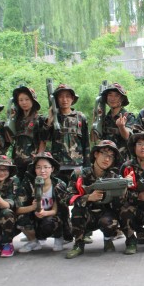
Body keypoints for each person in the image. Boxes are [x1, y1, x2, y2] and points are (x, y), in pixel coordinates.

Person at [44, 83, 89, 243]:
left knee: (81, 198)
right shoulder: (52, 118)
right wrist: (50, 119)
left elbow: (86, 143)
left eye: (67, 96)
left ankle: (83, 232)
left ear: (72, 99)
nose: (64, 100)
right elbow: (44, 138)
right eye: (61, 97)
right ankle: (65, 232)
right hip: (58, 167)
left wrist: (87, 165)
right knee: (61, 201)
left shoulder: (80, 117)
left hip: (77, 166)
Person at [65, 140, 123, 259]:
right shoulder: (79, 174)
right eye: (104, 154)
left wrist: (124, 190)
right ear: (96, 154)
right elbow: (67, 198)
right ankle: (78, 244)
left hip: (105, 215)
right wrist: (88, 198)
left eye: (111, 156)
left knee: (111, 220)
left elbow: (120, 203)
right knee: (77, 212)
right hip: (85, 215)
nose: (107, 159)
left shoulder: (114, 177)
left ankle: (108, 239)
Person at [15, 152, 69, 253]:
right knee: (20, 218)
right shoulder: (28, 184)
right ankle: (33, 241)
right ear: (34, 169)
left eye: (46, 167)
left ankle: (59, 237)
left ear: (52, 169)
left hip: (52, 216)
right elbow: (17, 208)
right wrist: (32, 207)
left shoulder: (59, 185)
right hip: (33, 215)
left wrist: (45, 213)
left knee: (54, 219)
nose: (42, 171)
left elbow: (58, 209)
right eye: (38, 167)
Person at [6, 85, 46, 180]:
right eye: (21, 100)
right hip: (17, 161)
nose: (24, 102)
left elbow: (43, 140)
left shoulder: (39, 119)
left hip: (33, 161)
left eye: (27, 99)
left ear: (33, 100)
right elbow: (10, 140)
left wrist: (39, 158)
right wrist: (9, 121)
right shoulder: (16, 120)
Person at [95, 82, 136, 162]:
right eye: (110, 95)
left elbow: (127, 136)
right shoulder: (104, 117)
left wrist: (121, 127)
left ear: (122, 99)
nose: (112, 98)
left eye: (116, 96)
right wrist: (95, 117)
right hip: (106, 159)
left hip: (122, 159)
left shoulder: (128, 116)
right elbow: (95, 139)